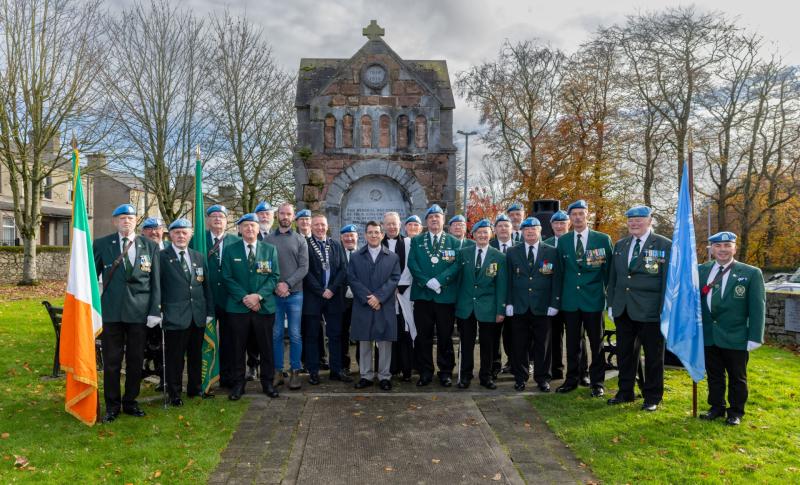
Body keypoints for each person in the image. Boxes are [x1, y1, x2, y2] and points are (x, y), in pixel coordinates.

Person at [93, 204, 161, 422]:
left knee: (135, 361)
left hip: (139, 314)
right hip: (111, 313)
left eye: (130, 218)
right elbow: (91, 281)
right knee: (112, 362)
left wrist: (154, 311)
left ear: (136, 221)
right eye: (122, 218)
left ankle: (131, 402)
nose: (126, 221)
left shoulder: (149, 246)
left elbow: (156, 282)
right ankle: (112, 406)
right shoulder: (102, 244)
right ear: (115, 221)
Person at [606, 206, 671, 411]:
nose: (634, 223)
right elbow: (613, 278)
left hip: (651, 311)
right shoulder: (621, 245)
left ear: (650, 221)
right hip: (623, 309)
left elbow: (667, 280)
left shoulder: (664, 244)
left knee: (653, 356)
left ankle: (652, 397)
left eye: (639, 220)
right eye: (631, 220)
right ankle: (625, 392)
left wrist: (664, 308)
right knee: (625, 353)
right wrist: (611, 303)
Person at [699, 231, 765, 426]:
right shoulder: (701, 270)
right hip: (709, 333)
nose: (722, 250)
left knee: (737, 377)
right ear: (711, 249)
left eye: (727, 245)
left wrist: (755, 336)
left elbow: (757, 307)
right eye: (718, 246)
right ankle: (716, 407)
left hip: (736, 334)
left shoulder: (751, 273)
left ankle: (735, 412)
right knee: (714, 374)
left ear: (734, 248)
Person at [555, 199, 613, 398]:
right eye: (574, 214)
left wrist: (610, 300)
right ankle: (572, 379)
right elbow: (560, 274)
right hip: (570, 301)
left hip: (593, 300)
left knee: (596, 343)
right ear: (569, 218)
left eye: (581, 213)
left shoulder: (602, 239)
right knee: (572, 343)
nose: (578, 217)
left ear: (587, 215)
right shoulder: (563, 241)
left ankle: (597, 382)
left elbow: (609, 273)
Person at [221, 213, 281, 400]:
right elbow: (227, 277)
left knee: (266, 347)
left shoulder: (269, 249)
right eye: (245, 226)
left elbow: (274, 276)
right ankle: (238, 384)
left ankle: (268, 383)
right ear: (239, 229)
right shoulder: (231, 250)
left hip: (263, 308)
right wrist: (245, 298)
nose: (249, 229)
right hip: (238, 308)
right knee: (238, 348)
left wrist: (258, 297)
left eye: (252, 226)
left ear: (258, 228)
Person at [159, 218, 214, 406]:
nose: (181, 236)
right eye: (177, 232)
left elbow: (206, 286)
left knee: (195, 355)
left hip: (197, 315)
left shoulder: (198, 256)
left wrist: (209, 311)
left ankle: (195, 388)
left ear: (190, 235)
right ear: (170, 235)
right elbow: (157, 287)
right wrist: (158, 311)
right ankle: (174, 393)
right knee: (175, 358)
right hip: (174, 316)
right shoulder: (162, 257)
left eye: (184, 232)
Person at [408, 204, 461, 387]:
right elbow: (412, 264)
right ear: (426, 221)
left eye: (437, 217)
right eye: (431, 217)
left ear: (443, 220)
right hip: (423, 296)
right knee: (424, 336)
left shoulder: (454, 242)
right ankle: (425, 371)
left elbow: (456, 266)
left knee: (445, 336)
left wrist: (439, 281)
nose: (434, 220)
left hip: (445, 297)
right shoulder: (417, 241)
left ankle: (445, 372)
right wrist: (426, 282)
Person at [506, 217, 561, 392]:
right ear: (522, 232)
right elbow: (508, 279)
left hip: (543, 306)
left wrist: (554, 303)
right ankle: (520, 377)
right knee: (519, 344)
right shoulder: (513, 252)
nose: (530, 232)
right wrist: (508, 302)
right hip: (519, 306)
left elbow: (556, 279)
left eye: (534, 229)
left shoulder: (552, 251)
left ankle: (542, 378)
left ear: (540, 231)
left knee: (543, 344)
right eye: (526, 229)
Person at [454, 219, 507, 389]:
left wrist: (501, 310)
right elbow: (458, 280)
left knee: (488, 344)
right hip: (466, 307)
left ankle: (486, 376)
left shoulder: (499, 256)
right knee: (466, 343)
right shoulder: (463, 253)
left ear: (491, 234)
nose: (482, 235)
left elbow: (501, 286)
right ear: (473, 235)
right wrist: (457, 304)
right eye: (479, 232)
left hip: (489, 307)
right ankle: (466, 376)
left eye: (486, 232)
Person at [348, 221, 401, 390]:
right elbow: (352, 278)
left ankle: (385, 376)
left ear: (382, 234)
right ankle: (366, 375)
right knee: (364, 341)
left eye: (376, 232)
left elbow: (394, 278)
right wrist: (369, 298)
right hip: (363, 305)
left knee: (384, 341)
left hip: (384, 305)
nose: (373, 235)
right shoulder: (356, 257)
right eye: (370, 232)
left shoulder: (392, 257)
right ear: (365, 235)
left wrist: (379, 297)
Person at [301, 214, 352, 385]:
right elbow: (305, 271)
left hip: (334, 297)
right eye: (316, 225)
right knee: (312, 335)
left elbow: (343, 269)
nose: (320, 228)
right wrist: (320, 290)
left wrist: (331, 289)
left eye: (322, 225)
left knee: (335, 335)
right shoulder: (306, 245)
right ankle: (313, 371)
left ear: (327, 226)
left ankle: (336, 370)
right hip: (313, 298)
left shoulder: (336, 245)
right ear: (311, 226)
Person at [264, 203, 309, 390]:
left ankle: (295, 372)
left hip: (295, 294)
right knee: (275, 334)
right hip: (274, 295)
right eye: (282, 213)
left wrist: (287, 284)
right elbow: (263, 266)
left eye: (288, 214)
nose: (285, 216)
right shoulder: (267, 240)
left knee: (295, 334)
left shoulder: (300, 240)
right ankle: (277, 371)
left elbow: (304, 267)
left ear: (293, 217)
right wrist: (276, 286)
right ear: (277, 216)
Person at [544, 210, 588, 383]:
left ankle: (581, 372)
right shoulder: (545, 244)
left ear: (568, 224)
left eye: (563, 223)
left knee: (578, 337)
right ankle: (556, 370)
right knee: (554, 335)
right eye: (556, 223)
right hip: (553, 298)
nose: (559, 226)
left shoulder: (575, 242)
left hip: (573, 297)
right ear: (552, 225)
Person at [200, 205, 240, 389]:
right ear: (207, 220)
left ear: (226, 220)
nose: (217, 219)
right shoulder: (198, 240)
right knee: (205, 338)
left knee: (230, 339)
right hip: (206, 297)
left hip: (229, 298)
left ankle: (228, 377)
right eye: (213, 216)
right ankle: (206, 376)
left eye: (221, 216)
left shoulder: (235, 241)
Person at [383, 211, 415, 382]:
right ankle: (390, 368)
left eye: (394, 223)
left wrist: (399, 287)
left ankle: (406, 369)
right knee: (388, 332)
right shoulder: (378, 243)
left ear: (400, 224)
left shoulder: (409, 243)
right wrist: (388, 289)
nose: (392, 226)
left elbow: (411, 267)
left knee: (405, 331)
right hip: (385, 296)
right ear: (384, 225)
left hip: (404, 294)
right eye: (388, 223)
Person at [248, 201, 276, 380]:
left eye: (268, 214)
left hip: (275, 293)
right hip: (253, 296)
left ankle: (273, 368)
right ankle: (252, 365)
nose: (265, 217)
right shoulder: (248, 237)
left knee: (272, 334)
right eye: (261, 214)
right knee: (252, 334)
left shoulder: (277, 236)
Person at [140, 216, 167, 390]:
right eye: (149, 228)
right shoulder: (138, 250)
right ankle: (148, 372)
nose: (154, 232)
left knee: (166, 347)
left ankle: (165, 378)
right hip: (143, 307)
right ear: (143, 232)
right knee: (148, 345)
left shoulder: (171, 250)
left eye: (157, 228)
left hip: (167, 307)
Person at [489, 213, 517, 377]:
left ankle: (514, 364)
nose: (503, 229)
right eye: (500, 226)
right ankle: (494, 366)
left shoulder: (520, 246)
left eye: (506, 225)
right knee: (493, 335)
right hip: (494, 299)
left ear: (512, 229)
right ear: (495, 230)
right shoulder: (489, 246)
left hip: (515, 298)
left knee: (514, 335)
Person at [340, 224, 359, 374]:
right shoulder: (337, 254)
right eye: (346, 236)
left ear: (357, 237)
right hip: (342, 301)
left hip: (359, 301)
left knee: (360, 334)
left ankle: (362, 364)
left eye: (352, 235)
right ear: (342, 238)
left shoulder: (363, 254)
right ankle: (344, 365)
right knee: (343, 333)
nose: (349, 238)